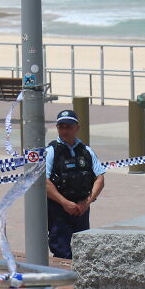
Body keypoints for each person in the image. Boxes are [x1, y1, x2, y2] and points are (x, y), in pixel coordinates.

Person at [46, 110, 106, 259]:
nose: (64, 130)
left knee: (82, 252)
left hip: (81, 209)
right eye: (61, 126)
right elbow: (44, 183)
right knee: (62, 252)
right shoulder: (51, 151)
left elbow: (100, 178)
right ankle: (63, 282)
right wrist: (65, 203)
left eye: (69, 126)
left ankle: (78, 282)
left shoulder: (86, 151)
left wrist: (86, 202)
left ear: (77, 127)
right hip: (59, 209)